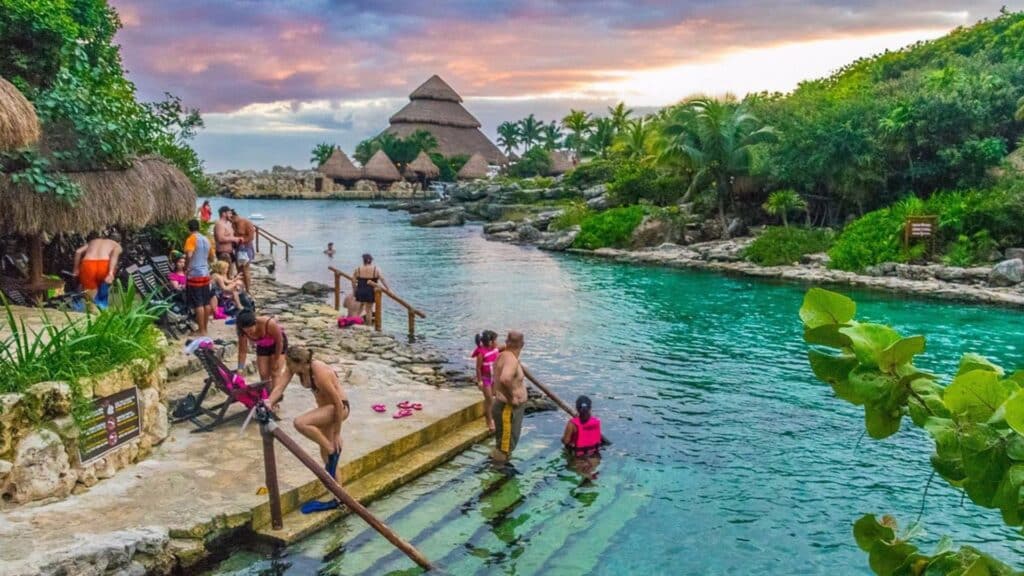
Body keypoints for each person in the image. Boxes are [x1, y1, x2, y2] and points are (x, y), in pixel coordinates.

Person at [266, 346, 350, 513]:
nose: (287, 368)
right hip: (325, 410)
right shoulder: (296, 369)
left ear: (300, 363)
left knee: (300, 423)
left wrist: (336, 433)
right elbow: (279, 387)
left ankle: (331, 449)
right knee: (328, 460)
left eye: (289, 364)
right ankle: (339, 499)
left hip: (339, 409)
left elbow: (338, 404)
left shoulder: (320, 372)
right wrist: (269, 402)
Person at [492, 331, 528, 463]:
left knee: (504, 444)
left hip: (504, 407)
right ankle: (498, 471)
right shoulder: (511, 360)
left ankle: (500, 464)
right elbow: (505, 379)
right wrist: (512, 397)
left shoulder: (503, 354)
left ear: (507, 342)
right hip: (507, 408)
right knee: (504, 447)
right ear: (522, 344)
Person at [72, 232, 122, 310]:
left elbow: (78, 251)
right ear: (119, 242)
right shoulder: (117, 246)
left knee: (88, 291)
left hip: (88, 263)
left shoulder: (94, 241)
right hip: (104, 264)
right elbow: (113, 258)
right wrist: (111, 273)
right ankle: (101, 308)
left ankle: (79, 310)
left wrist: (76, 269)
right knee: (103, 288)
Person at [236, 309, 288, 384]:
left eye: (250, 330)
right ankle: (267, 393)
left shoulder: (268, 323)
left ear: (255, 323)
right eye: (246, 331)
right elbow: (242, 351)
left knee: (275, 372)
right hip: (262, 345)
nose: (249, 333)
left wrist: (276, 360)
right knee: (263, 374)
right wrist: (240, 368)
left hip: (277, 344)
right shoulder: (242, 332)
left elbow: (280, 342)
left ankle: (276, 394)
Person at [184, 219, 215, 336]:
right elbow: (212, 257)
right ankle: (205, 329)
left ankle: (201, 330)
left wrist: (187, 266)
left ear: (189, 229)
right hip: (205, 273)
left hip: (195, 274)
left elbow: (189, 254)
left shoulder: (191, 239)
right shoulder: (206, 239)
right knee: (206, 302)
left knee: (198, 303)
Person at [472, 330, 501, 432]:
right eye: (496, 340)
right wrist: (479, 381)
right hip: (486, 379)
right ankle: (489, 421)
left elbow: (503, 348)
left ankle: (493, 417)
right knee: (489, 399)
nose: (497, 342)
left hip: (494, 378)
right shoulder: (481, 353)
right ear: (490, 342)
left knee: (494, 397)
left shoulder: (495, 349)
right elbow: (478, 368)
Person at [352, 254, 388, 324]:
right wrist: (388, 289)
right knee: (369, 310)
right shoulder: (376, 269)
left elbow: (353, 281)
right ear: (371, 260)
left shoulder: (358, 269)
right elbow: (382, 279)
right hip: (370, 291)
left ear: (363, 260)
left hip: (360, 290)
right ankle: (368, 326)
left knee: (360, 307)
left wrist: (354, 291)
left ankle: (354, 322)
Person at [230, 209, 256, 291]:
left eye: (232, 219)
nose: (231, 221)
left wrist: (241, 240)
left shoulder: (247, 222)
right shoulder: (233, 224)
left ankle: (248, 290)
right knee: (239, 269)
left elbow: (251, 237)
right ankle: (241, 289)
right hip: (237, 248)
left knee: (245, 269)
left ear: (235, 216)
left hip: (246, 248)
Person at [213, 206, 238, 271]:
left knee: (231, 273)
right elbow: (220, 239)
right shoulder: (219, 224)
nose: (231, 215)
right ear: (224, 214)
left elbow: (231, 236)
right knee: (225, 274)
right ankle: (182, 280)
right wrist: (234, 239)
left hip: (230, 252)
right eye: (229, 213)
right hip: (223, 253)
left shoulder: (228, 223)